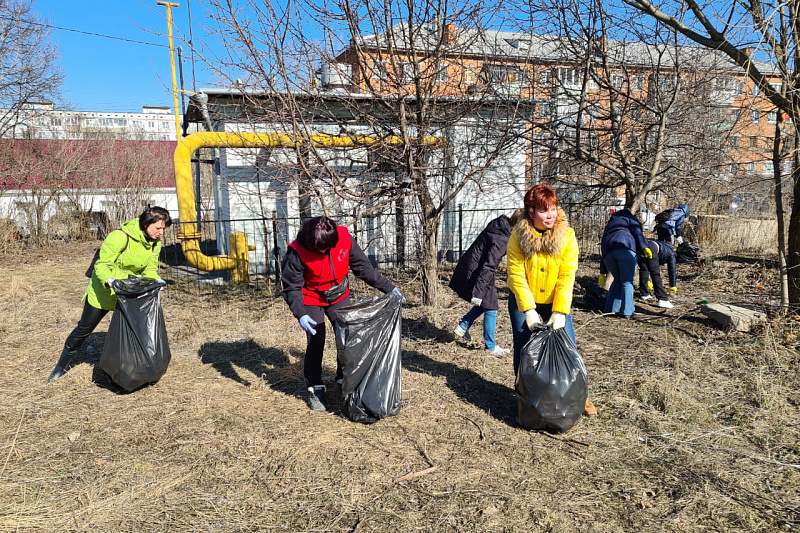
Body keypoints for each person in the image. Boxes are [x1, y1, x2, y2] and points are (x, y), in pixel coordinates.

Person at [282, 216, 404, 412]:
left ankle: (343, 378)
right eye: (320, 250)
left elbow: (362, 268)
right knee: (316, 340)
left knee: (347, 338)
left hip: (338, 295)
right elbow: (292, 288)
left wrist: (388, 288)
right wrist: (301, 313)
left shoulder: (344, 238)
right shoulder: (297, 252)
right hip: (311, 298)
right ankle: (315, 386)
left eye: (327, 248)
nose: (324, 252)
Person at [47, 206, 173, 382]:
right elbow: (102, 265)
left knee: (134, 330)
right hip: (104, 292)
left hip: (129, 294)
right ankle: (61, 366)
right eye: (158, 228)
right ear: (146, 223)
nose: (161, 232)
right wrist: (110, 281)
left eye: (164, 229)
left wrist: (156, 281)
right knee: (84, 329)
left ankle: (130, 367)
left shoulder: (154, 243)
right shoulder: (120, 237)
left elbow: (150, 269)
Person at [506, 184, 596, 416]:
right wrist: (528, 310)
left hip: (556, 301)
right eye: (544, 210)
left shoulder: (566, 236)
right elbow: (515, 274)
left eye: (553, 208)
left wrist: (559, 312)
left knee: (568, 345)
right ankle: (528, 398)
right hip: (524, 300)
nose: (551, 215)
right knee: (524, 351)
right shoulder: (518, 236)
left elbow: (567, 275)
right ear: (531, 211)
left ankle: (579, 396)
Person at [449, 210, 522, 356]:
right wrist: (478, 291)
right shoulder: (502, 239)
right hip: (481, 272)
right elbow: (489, 265)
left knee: (487, 303)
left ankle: (463, 326)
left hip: (475, 267)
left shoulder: (499, 226)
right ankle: (490, 346)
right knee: (491, 307)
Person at [599, 208, 651, 319]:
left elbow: (602, 245)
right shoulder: (629, 218)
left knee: (617, 280)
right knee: (627, 281)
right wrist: (644, 246)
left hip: (608, 252)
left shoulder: (610, 224)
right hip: (625, 247)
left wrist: (602, 271)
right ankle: (628, 311)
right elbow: (637, 233)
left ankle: (610, 310)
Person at [638, 238, 678, 309]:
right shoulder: (671, 254)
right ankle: (663, 299)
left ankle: (644, 294)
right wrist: (673, 285)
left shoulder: (663, 245)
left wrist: (647, 281)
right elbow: (672, 269)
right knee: (655, 273)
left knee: (644, 269)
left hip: (642, 245)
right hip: (652, 248)